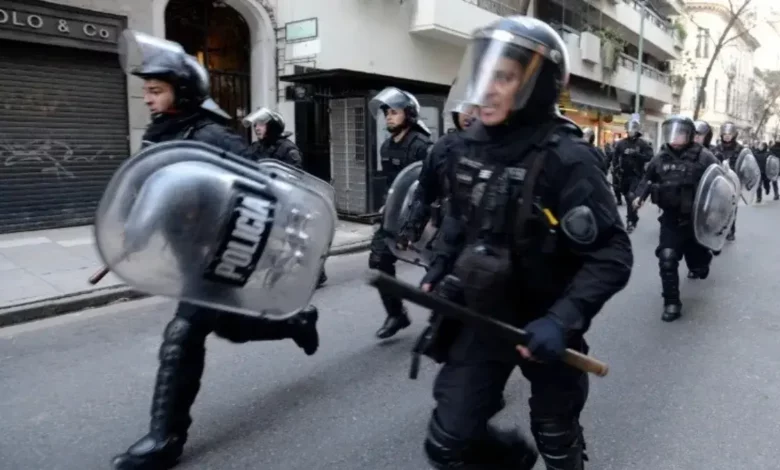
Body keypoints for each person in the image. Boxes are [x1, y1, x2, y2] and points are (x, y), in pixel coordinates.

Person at [417, 17, 633, 469]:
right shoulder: (464, 148)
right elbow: (459, 218)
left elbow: (612, 255)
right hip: (481, 313)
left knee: (556, 438)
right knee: (447, 442)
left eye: (505, 76)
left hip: (547, 323)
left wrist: (562, 320)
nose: (488, 88)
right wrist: (438, 268)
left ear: (537, 85)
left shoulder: (568, 160)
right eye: (485, 73)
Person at [111, 34, 320, 470]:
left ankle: (165, 437)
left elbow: (263, 196)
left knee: (182, 336)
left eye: (156, 90)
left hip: (220, 254)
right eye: (147, 91)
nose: (148, 99)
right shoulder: (161, 134)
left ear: (181, 90)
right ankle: (297, 322)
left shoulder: (213, 137)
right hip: (187, 253)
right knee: (232, 328)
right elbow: (153, 192)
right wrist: (135, 233)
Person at [633, 116, 721, 322]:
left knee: (699, 267)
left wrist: (716, 215)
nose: (675, 137)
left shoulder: (704, 157)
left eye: (680, 132)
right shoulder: (660, 157)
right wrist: (639, 196)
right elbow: (647, 179)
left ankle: (701, 262)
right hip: (671, 219)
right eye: (672, 131)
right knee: (667, 257)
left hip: (696, 220)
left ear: (689, 135)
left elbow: (719, 184)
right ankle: (671, 302)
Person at [368, 87, 433, 339]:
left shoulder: (423, 146)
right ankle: (397, 314)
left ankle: (439, 322)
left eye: (394, 112)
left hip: (423, 217)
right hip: (396, 217)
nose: (389, 117)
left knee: (434, 267)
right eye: (386, 113)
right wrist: (387, 205)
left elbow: (429, 187)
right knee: (379, 261)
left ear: (409, 114)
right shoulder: (386, 147)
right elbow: (393, 185)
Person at [243, 107, 329, 287]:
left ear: (273, 126)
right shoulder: (255, 148)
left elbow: (295, 178)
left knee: (297, 241)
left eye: (261, 124)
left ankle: (317, 272)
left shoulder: (288, 150)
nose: (256, 128)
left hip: (289, 203)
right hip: (266, 201)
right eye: (255, 125)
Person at [612, 119, 654, 232]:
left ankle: (630, 221)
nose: (631, 132)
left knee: (631, 196)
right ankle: (634, 216)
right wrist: (615, 168)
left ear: (636, 130)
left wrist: (637, 154)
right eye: (629, 130)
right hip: (624, 175)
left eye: (633, 129)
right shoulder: (621, 143)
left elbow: (650, 156)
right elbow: (615, 157)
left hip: (637, 175)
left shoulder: (642, 143)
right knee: (627, 197)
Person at [713, 122, 743, 241]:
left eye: (729, 134)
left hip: (733, 182)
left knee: (731, 208)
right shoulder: (716, 149)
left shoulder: (740, 149)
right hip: (719, 182)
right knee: (718, 208)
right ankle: (719, 228)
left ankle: (731, 230)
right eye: (724, 134)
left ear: (734, 135)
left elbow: (746, 166)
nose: (726, 136)